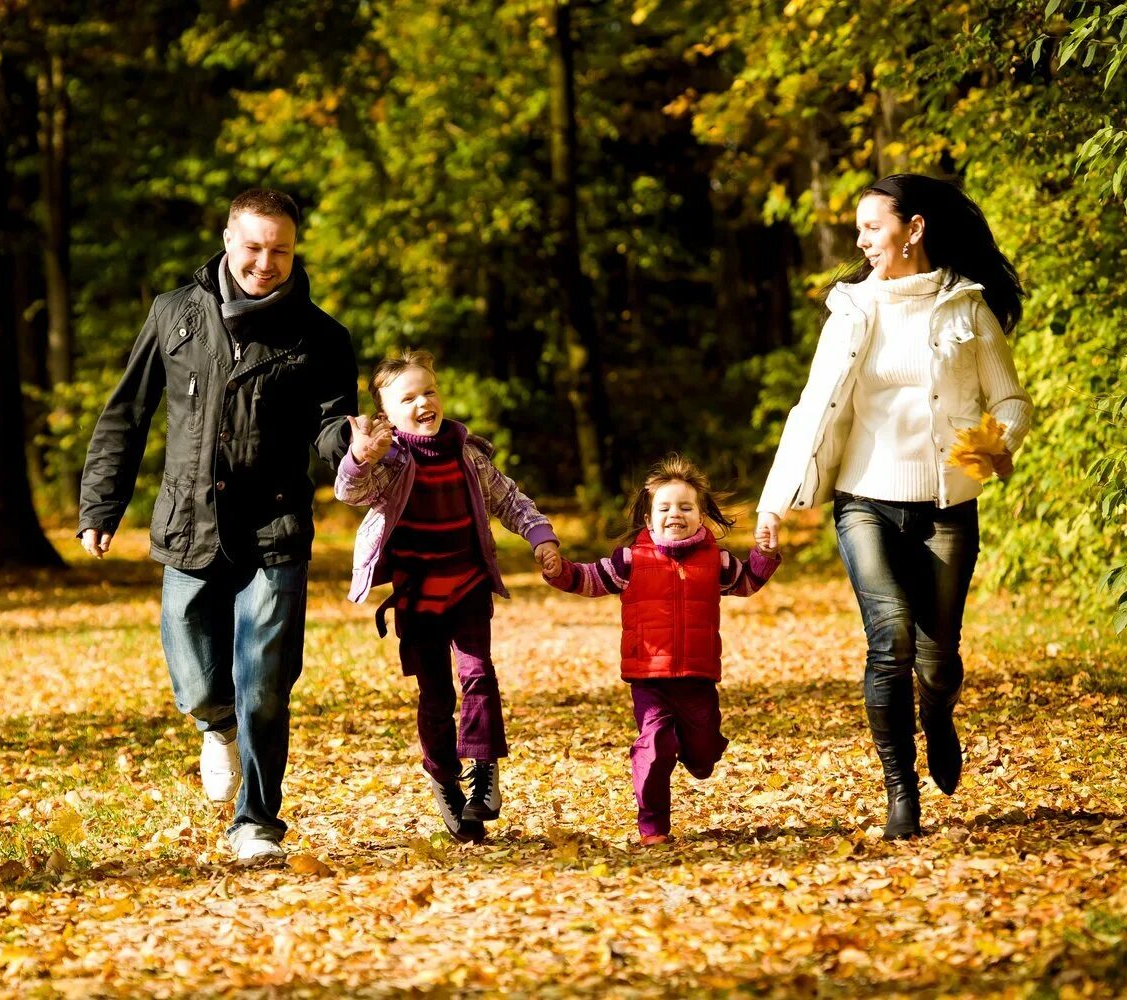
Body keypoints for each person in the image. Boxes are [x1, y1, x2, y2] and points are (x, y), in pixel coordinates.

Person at [77, 188, 358, 864]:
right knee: (198, 673)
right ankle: (214, 724)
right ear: (229, 241)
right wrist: (100, 505)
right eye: (255, 247)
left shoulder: (321, 337)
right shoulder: (173, 314)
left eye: (280, 250)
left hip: (275, 528)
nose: (266, 262)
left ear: (296, 251)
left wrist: (353, 449)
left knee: (265, 680)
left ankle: (256, 821)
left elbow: (330, 429)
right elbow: (127, 413)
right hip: (190, 522)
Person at [754, 173, 1032, 840]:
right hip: (863, 500)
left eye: (872, 227)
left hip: (945, 506)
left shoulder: (967, 308)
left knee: (937, 661)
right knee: (891, 642)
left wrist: (989, 447)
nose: (860, 240)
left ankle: (937, 714)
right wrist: (774, 498)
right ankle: (899, 791)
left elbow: (1013, 403)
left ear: (914, 229)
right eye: (860, 229)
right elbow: (811, 408)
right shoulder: (851, 310)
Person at [337, 350, 561, 842]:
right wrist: (359, 457)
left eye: (429, 391)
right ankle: (443, 777)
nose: (423, 403)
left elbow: (508, 499)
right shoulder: (389, 462)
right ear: (388, 416)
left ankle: (483, 773)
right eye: (408, 398)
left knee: (479, 675)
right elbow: (350, 493)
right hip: (417, 597)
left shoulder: (468, 453)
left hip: (467, 586)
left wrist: (541, 537)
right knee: (436, 697)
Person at [544, 455, 779, 845]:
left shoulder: (715, 561)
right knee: (654, 746)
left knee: (703, 755)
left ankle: (696, 751)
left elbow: (748, 582)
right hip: (648, 678)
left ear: (701, 516)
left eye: (686, 507)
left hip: (698, 677)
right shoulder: (631, 559)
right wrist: (559, 571)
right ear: (649, 519)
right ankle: (653, 826)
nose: (676, 514)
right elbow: (588, 580)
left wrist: (765, 554)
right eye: (665, 508)